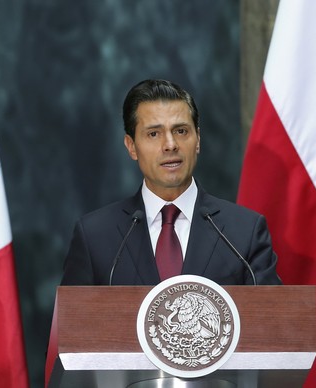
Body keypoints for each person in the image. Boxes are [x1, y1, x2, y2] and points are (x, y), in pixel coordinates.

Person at [60, 79, 281, 286]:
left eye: (181, 131)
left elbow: (273, 320)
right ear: (131, 146)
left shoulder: (243, 233)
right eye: (154, 134)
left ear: (198, 140)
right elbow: (72, 325)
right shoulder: (95, 236)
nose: (170, 144)